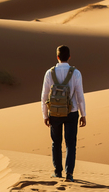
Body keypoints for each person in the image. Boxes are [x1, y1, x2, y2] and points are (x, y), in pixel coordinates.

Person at [41, 44, 86, 181]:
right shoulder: (76, 73)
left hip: (54, 113)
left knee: (56, 143)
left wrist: (45, 115)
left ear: (57, 57)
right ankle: (69, 174)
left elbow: (44, 96)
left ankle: (58, 171)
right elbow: (80, 95)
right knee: (71, 144)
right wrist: (83, 114)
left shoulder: (49, 73)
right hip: (72, 112)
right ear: (69, 57)